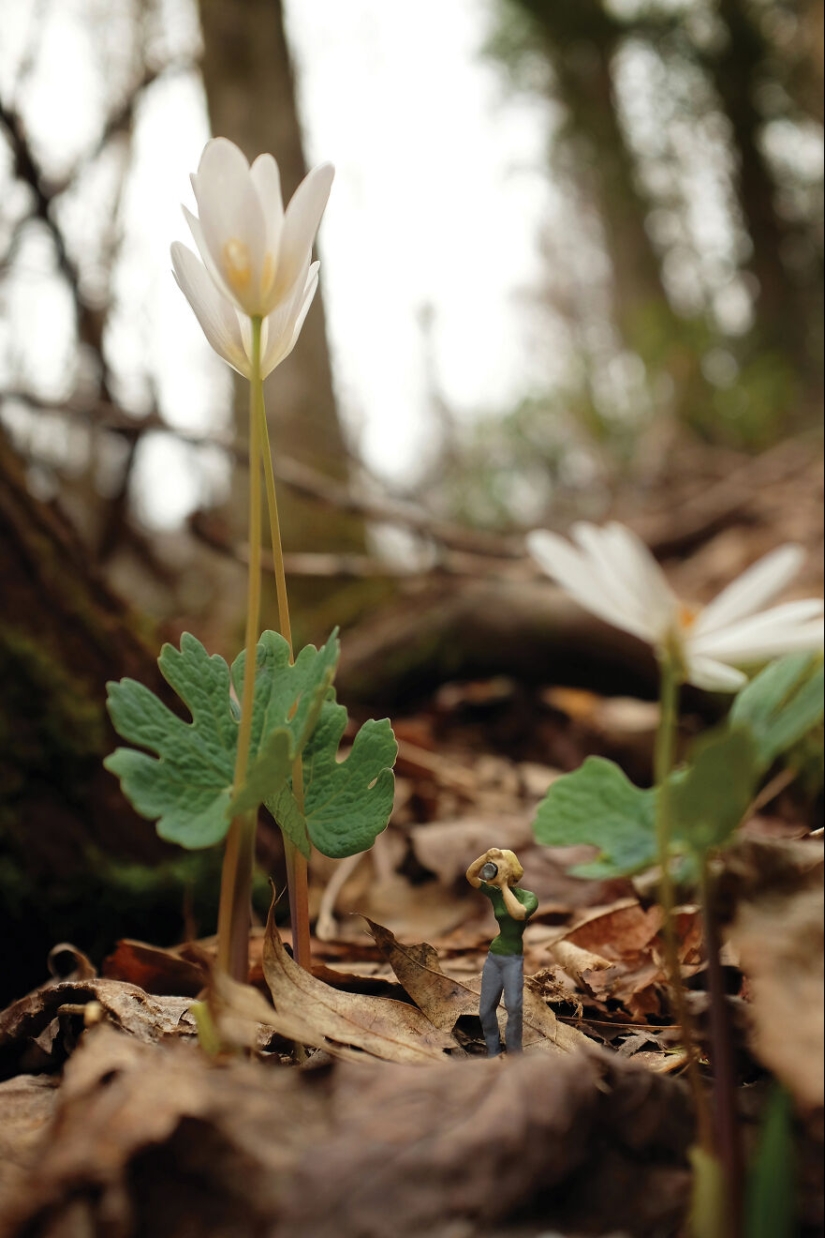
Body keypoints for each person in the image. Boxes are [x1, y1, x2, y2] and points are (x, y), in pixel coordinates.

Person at [466, 847, 538, 1056]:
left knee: (514, 1006)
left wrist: (504, 884)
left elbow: (518, 914)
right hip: (494, 956)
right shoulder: (495, 893)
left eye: (499, 863)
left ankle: (515, 1054)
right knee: (486, 1009)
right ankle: (493, 1052)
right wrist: (485, 857)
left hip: (512, 959)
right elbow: (471, 875)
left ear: (511, 867)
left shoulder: (528, 897)